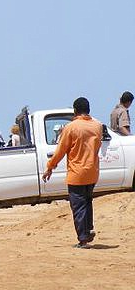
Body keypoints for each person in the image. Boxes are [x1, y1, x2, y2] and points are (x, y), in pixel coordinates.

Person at [42, 97, 102, 248]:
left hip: (77, 173)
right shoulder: (97, 126)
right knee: (87, 202)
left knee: (79, 206)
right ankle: (88, 230)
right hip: (92, 172)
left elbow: (60, 151)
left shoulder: (71, 128)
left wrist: (50, 167)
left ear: (75, 111)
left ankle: (83, 239)